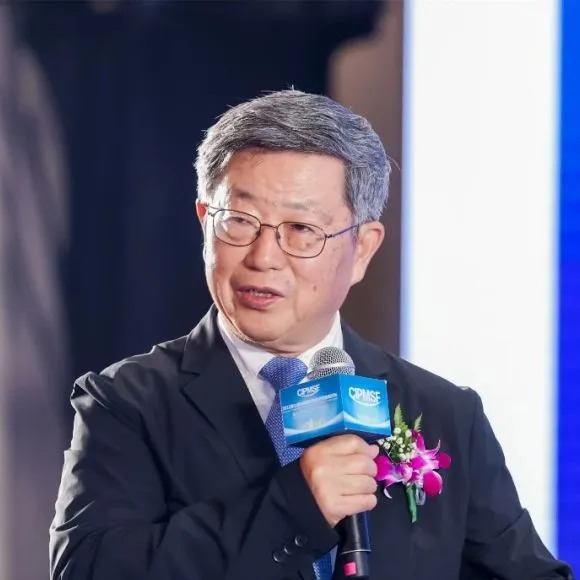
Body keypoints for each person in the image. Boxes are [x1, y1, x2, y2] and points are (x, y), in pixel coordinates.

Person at [50, 90, 573, 580]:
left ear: (363, 248)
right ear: (205, 222)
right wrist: (294, 506)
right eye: (239, 221)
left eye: (301, 230)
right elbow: (88, 570)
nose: (263, 257)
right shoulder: (126, 404)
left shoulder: (443, 413)